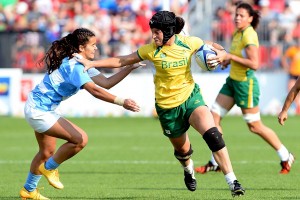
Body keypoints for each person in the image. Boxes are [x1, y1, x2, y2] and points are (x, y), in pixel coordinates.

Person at [76, 10, 245, 196]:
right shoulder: (150, 50)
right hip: (166, 107)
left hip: (191, 98)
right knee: (183, 151)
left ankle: (233, 182)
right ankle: (189, 171)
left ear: (169, 31)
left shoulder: (189, 42)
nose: (153, 35)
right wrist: (92, 64)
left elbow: (216, 46)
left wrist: (222, 54)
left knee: (213, 135)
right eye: (152, 31)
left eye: (157, 32)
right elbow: (121, 60)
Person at [19, 28, 140, 199]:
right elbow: (95, 91)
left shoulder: (82, 62)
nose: (96, 48)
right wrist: (122, 102)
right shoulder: (74, 66)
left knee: (46, 152)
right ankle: (49, 168)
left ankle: (28, 190)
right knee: (80, 139)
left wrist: (130, 67)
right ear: (82, 47)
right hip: (39, 111)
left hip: (40, 107)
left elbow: (106, 83)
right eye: (93, 45)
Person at [195, 2, 295, 175]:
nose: (237, 18)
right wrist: (227, 60)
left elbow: (254, 64)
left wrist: (229, 56)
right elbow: (236, 56)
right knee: (213, 119)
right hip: (232, 81)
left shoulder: (249, 35)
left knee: (255, 126)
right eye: (236, 14)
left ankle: (286, 155)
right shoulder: (238, 32)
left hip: (245, 85)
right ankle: (216, 161)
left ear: (250, 18)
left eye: (241, 15)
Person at [281, 37, 300, 114]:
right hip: (293, 74)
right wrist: (286, 67)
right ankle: (298, 105)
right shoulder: (292, 50)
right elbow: (284, 58)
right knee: (291, 89)